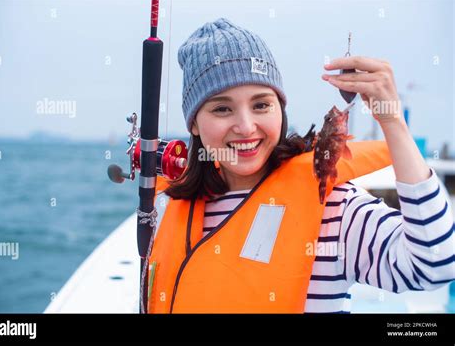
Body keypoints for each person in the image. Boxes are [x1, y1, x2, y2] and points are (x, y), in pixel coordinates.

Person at [146, 18, 454, 313]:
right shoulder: (168, 208)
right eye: (222, 108)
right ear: (194, 124)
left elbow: (435, 264)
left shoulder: (334, 209)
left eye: (261, 105)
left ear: (280, 109)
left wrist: (392, 121)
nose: (246, 126)